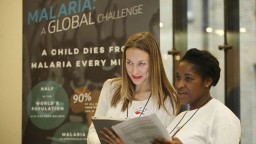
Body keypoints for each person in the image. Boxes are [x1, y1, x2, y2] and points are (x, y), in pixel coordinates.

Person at [87, 32, 180, 144]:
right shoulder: (111, 87)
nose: (134, 71)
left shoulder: (168, 100)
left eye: (141, 64)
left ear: (154, 63)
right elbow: (92, 132)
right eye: (129, 62)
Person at [152, 48, 241, 144]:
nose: (179, 85)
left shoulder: (223, 119)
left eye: (188, 78)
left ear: (207, 81)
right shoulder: (181, 116)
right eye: (178, 77)